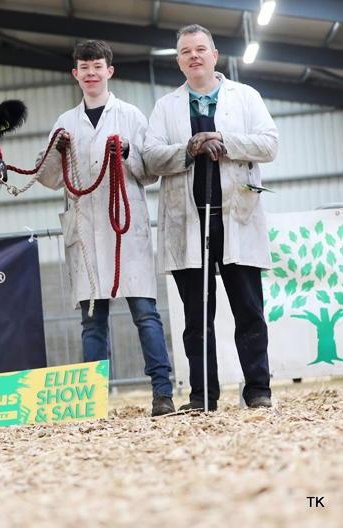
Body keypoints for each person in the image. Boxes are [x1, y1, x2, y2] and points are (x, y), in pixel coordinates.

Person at [34, 40, 175, 417]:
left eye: (98, 66)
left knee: (145, 314)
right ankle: (90, 402)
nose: (92, 72)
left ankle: (162, 393)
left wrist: (128, 152)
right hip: (85, 231)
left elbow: (151, 172)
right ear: (75, 74)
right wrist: (56, 150)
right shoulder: (64, 123)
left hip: (125, 231)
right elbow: (48, 178)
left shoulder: (130, 116)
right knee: (91, 322)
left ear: (109, 71)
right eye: (85, 67)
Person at [143, 24, 278, 411]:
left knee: (249, 310)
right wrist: (189, 147)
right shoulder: (166, 106)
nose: (194, 56)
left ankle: (258, 390)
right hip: (190, 220)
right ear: (179, 61)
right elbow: (151, 156)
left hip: (236, 216)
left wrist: (224, 141)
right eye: (186, 51)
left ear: (215, 55)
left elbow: (269, 144)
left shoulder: (246, 97)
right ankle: (204, 396)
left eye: (201, 49)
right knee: (197, 318)